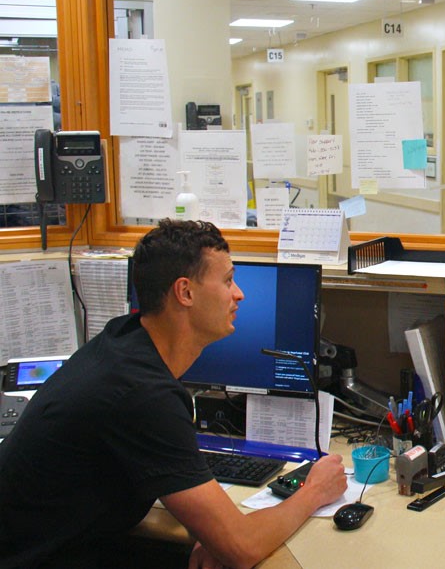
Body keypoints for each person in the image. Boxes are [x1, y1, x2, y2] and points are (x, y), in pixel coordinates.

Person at [0, 219, 348, 568]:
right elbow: (241, 548)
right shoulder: (141, 394)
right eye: (227, 280)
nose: (238, 293)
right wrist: (314, 491)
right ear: (185, 292)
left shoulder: (122, 343)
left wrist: (213, 534)